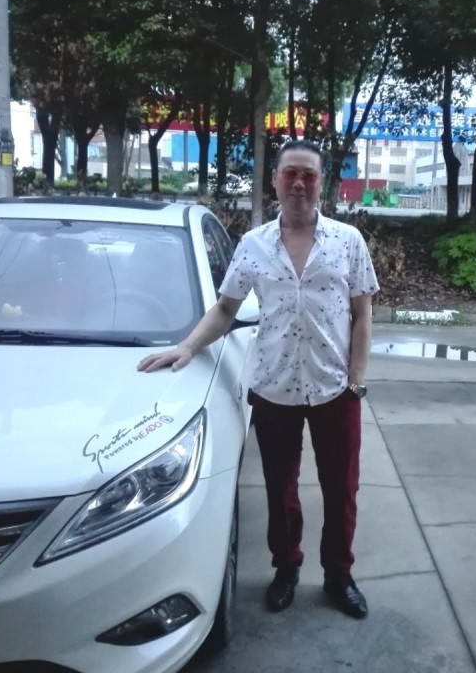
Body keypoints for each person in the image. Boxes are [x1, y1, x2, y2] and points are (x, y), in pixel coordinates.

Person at [138, 140, 379, 619]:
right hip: (273, 387)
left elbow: (362, 313)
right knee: (279, 489)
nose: (298, 183)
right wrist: (188, 346)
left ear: (321, 182)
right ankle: (286, 568)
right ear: (274, 180)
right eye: (290, 173)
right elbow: (226, 308)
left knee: (341, 490)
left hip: (334, 390)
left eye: (308, 175)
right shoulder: (253, 245)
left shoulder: (348, 241)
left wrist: (356, 380)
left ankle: (339, 576)